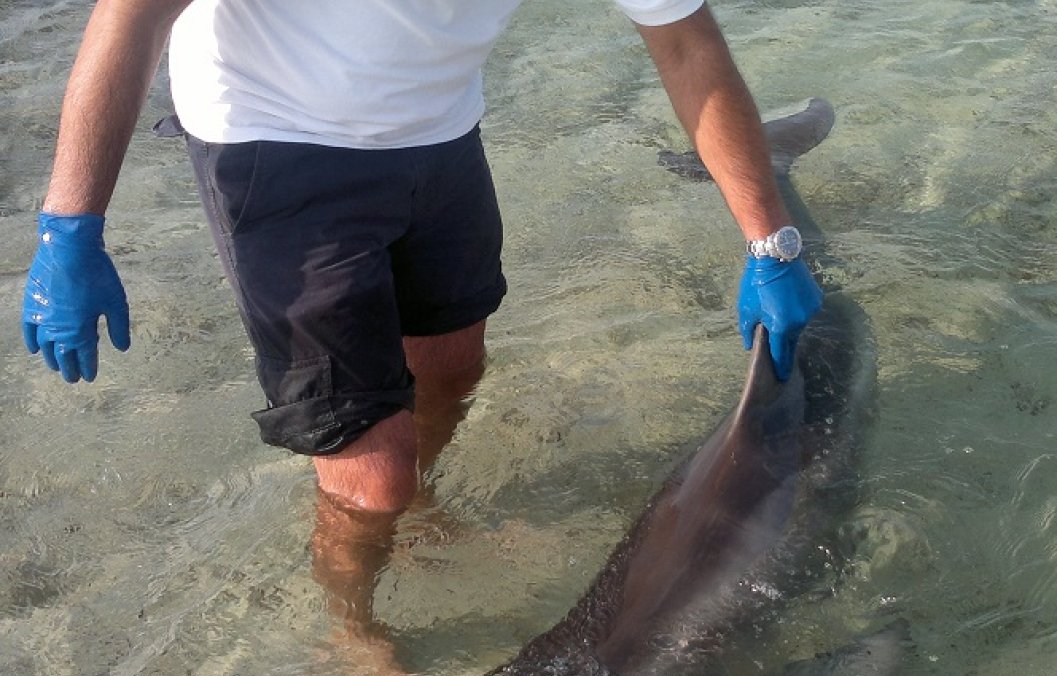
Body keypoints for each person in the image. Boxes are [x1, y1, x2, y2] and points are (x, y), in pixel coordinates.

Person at [20, 0, 822, 516]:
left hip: (438, 134)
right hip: (273, 137)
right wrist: (71, 227)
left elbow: (686, 45)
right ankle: (360, 647)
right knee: (373, 481)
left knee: (454, 366)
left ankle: (419, 501)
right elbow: (130, 17)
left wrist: (769, 241)